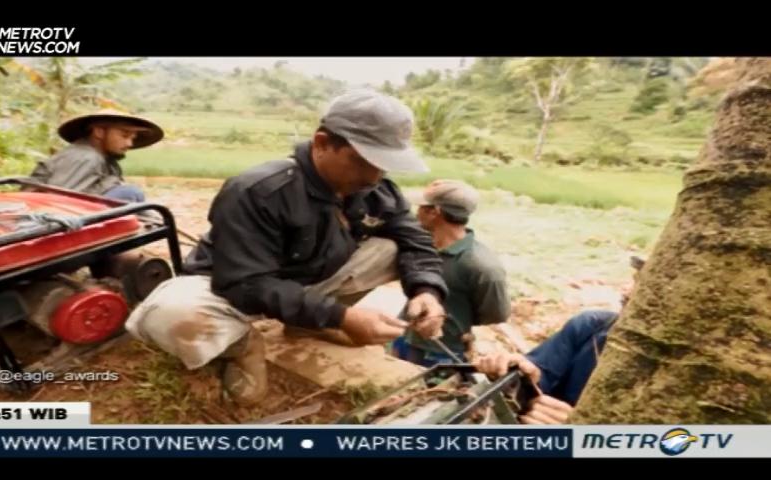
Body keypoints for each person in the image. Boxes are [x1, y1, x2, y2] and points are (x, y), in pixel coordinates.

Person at [126, 89, 449, 405]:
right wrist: (340, 316)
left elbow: (416, 239)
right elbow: (245, 283)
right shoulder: (257, 190)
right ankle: (242, 346)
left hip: (306, 280)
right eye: (364, 161)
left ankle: (303, 324)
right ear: (322, 143)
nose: (374, 175)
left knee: (393, 246)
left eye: (384, 164)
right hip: (232, 287)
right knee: (168, 314)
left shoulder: (374, 189)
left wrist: (426, 291)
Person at [475, 256, 646, 424]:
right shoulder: (591, 326)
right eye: (634, 279)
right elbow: (541, 377)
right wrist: (524, 376)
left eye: (643, 283)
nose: (626, 291)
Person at [393, 179, 510, 366]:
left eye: (422, 207)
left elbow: (495, 315)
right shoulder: (422, 247)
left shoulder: (482, 266)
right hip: (404, 338)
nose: (416, 212)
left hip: (440, 354)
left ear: (435, 212)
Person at [30, 109, 163, 202]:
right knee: (130, 193)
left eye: (132, 138)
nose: (129, 143)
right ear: (99, 132)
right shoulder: (85, 157)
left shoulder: (105, 160)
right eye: (124, 135)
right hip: (45, 214)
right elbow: (58, 200)